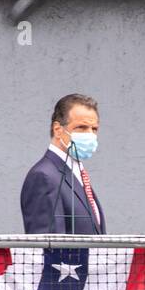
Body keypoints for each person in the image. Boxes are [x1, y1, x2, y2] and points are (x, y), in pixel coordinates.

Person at [20, 93, 106, 234]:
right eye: (81, 127)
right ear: (58, 130)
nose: (90, 135)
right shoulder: (44, 176)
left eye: (94, 129)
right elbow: (49, 245)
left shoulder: (76, 172)